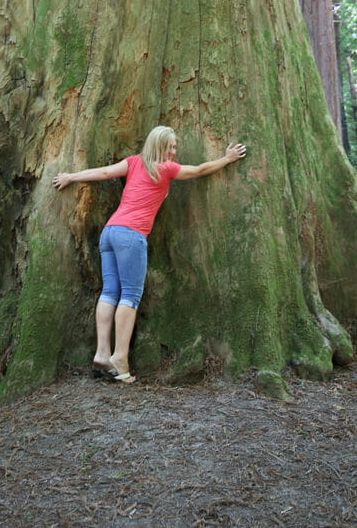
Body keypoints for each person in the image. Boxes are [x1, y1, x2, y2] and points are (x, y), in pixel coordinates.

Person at [52, 126, 246, 384]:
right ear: (160, 146)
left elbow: (105, 172)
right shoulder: (165, 169)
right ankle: (119, 358)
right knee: (130, 296)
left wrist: (71, 176)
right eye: (171, 147)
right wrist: (227, 159)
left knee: (110, 292)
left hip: (110, 232)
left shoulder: (133, 163)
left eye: (175, 147)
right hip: (131, 236)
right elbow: (199, 170)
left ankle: (101, 353)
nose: (174, 152)